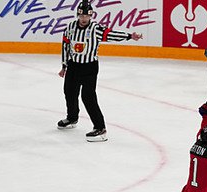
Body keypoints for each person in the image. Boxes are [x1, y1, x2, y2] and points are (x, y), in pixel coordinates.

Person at [57, 1, 143, 142]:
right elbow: (65, 46)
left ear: (91, 16)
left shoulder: (95, 29)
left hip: (89, 67)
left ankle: (100, 128)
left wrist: (129, 36)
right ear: (78, 14)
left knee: (88, 96)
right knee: (69, 91)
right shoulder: (70, 27)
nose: (84, 18)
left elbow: (111, 35)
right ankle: (72, 118)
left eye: (87, 16)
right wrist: (64, 66)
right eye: (82, 15)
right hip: (73, 66)